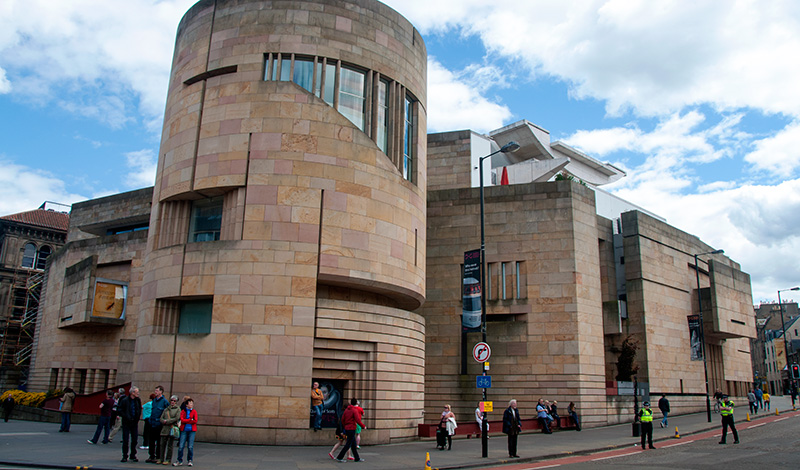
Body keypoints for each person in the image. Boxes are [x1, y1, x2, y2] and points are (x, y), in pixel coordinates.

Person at [336, 398, 366, 462]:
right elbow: (358, 420)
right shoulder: (354, 410)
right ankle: (340, 457)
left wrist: (345, 426)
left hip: (347, 428)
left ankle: (357, 458)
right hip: (351, 428)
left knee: (353, 444)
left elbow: (343, 419)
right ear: (355, 403)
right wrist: (363, 426)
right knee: (348, 444)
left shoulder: (346, 410)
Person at [119, 386, 142, 462]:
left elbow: (139, 409)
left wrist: (137, 418)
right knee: (125, 439)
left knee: (134, 439)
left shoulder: (138, 400)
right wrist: (126, 416)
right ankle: (125, 455)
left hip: (134, 422)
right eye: (137, 392)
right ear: (132, 393)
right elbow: (120, 410)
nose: (138, 393)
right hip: (126, 422)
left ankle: (133, 454)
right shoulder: (125, 400)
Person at [147, 385, 170, 463]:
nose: (155, 392)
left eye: (157, 390)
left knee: (159, 441)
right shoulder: (154, 401)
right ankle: (151, 455)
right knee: (151, 440)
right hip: (152, 423)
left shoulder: (164, 401)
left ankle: (158, 456)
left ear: (161, 391)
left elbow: (167, 412)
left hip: (159, 424)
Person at [175, 398, 198, 466]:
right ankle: (179, 460)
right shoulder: (183, 411)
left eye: (192, 403)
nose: (191, 404)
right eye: (190, 403)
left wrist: (187, 420)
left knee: (190, 446)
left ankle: (190, 460)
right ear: (187, 404)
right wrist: (190, 420)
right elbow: (182, 420)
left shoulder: (194, 412)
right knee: (181, 446)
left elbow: (195, 421)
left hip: (191, 430)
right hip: (184, 430)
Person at [159, 395, 181, 465]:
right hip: (164, 429)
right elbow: (161, 418)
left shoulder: (178, 409)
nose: (172, 402)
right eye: (171, 400)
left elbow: (176, 418)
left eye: (174, 401)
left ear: (176, 402)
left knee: (170, 445)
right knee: (162, 444)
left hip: (171, 428)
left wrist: (167, 421)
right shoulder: (166, 409)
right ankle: (161, 458)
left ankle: (168, 459)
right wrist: (163, 421)